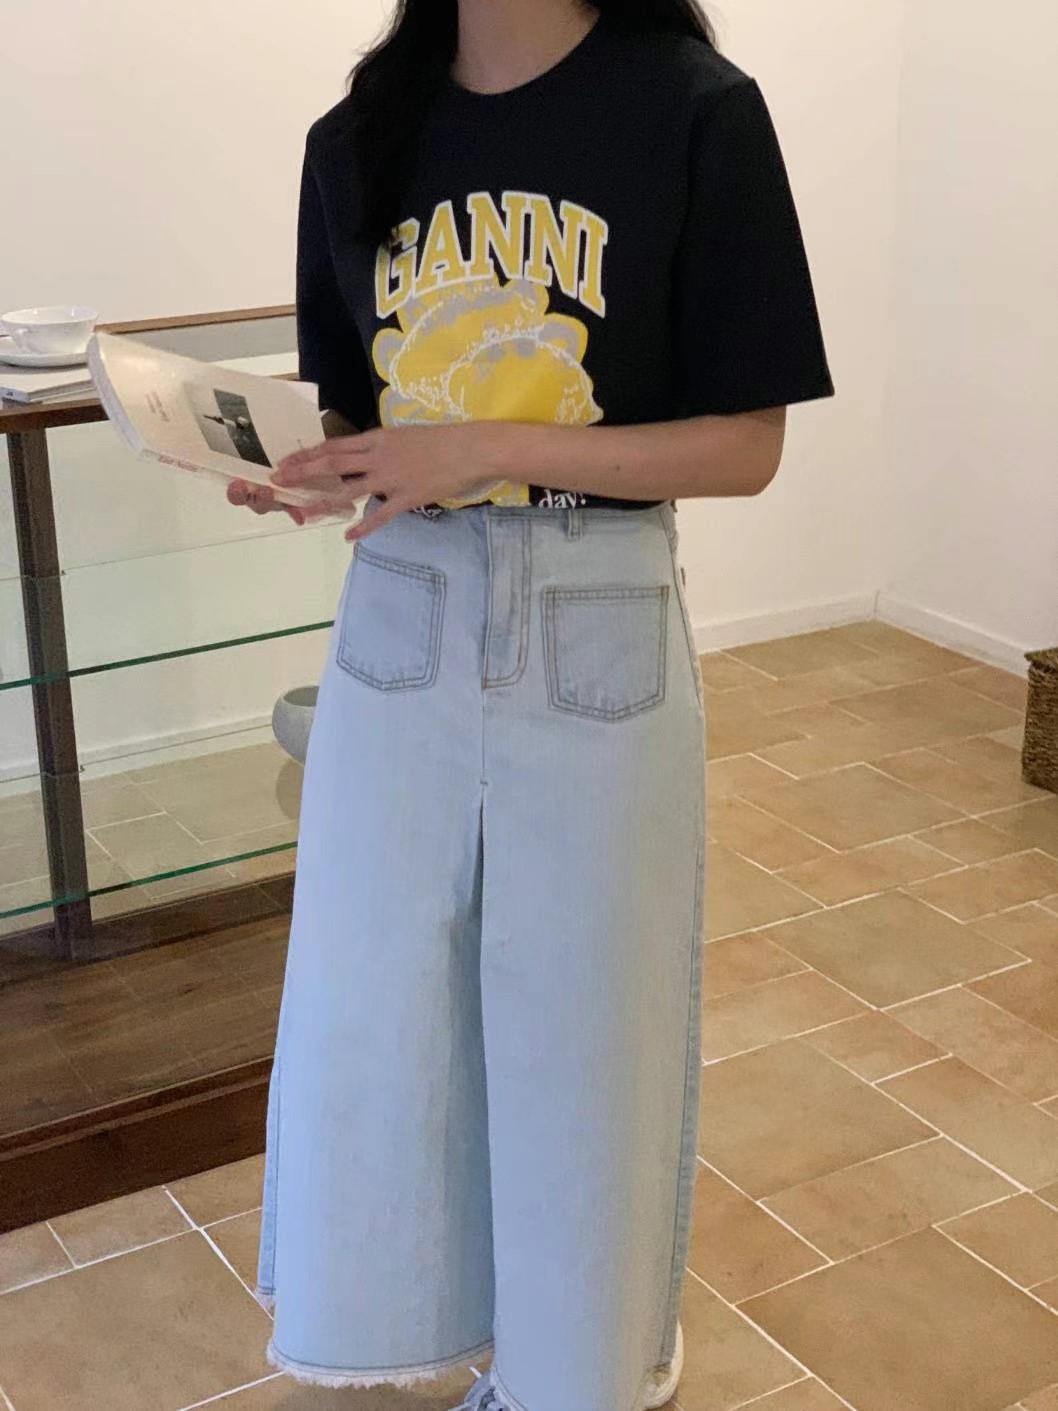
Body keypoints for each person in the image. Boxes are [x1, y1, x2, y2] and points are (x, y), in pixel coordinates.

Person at [228, 2, 832, 1408]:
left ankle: (573, 1380)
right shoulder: (358, 134)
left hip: (592, 607)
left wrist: (486, 446)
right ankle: (410, 1330)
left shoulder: (692, 109)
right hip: (402, 610)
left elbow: (746, 446)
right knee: (376, 1016)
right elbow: (357, 413)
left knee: (591, 1033)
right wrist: (304, 465)